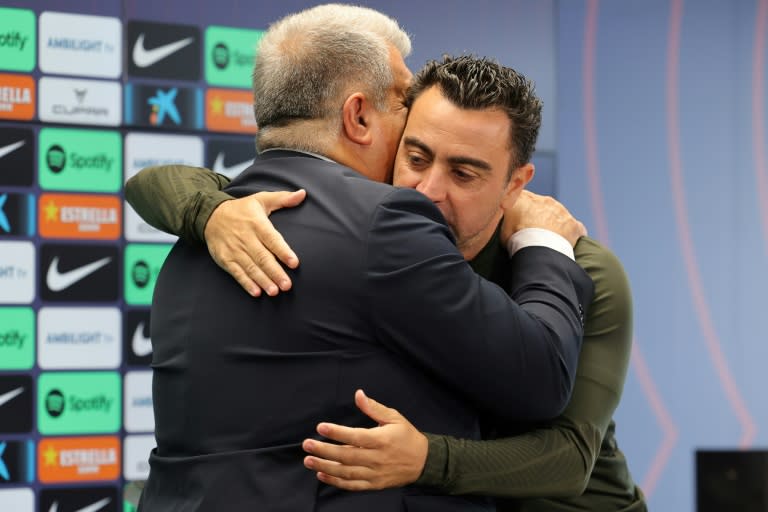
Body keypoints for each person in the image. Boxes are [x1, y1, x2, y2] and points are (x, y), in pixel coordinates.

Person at [127, 55, 646, 511]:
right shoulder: (381, 225)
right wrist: (214, 215)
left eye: (464, 174)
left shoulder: (583, 269)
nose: (428, 190)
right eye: (416, 158)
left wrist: (427, 458)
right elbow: (158, 181)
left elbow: (570, 459)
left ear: (515, 183)